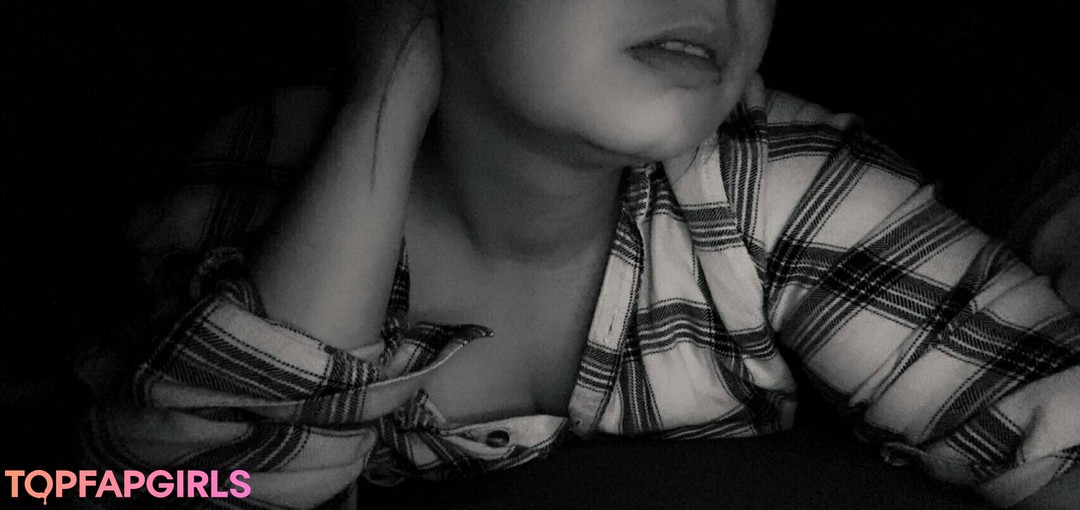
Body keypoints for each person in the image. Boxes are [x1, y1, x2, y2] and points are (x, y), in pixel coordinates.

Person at [77, 0, 1080, 508]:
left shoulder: (772, 172)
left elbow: (1053, 436)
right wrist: (383, 97)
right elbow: (175, 488)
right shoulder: (269, 166)